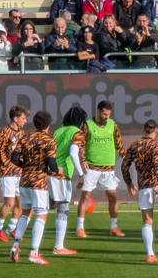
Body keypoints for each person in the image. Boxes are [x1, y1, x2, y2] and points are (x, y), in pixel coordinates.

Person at [121, 120, 158, 263]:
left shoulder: (134, 145)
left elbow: (124, 165)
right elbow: (157, 164)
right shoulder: (156, 144)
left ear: (143, 130)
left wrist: (129, 183)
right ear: (156, 131)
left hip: (144, 186)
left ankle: (150, 254)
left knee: (147, 222)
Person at [9, 111, 59, 264]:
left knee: (25, 213)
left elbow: (14, 158)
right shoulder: (49, 141)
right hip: (39, 182)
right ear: (48, 125)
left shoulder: (25, 138)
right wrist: (56, 170)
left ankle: (15, 245)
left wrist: (26, 166)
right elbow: (51, 163)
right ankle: (33, 253)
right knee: (41, 215)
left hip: (24, 181)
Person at [72, 101, 126, 238]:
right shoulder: (87, 125)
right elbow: (81, 144)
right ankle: (80, 228)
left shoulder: (112, 124)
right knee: (85, 196)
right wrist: (83, 160)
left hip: (108, 168)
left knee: (113, 196)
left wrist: (125, 155)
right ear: (98, 111)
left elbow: (118, 143)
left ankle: (114, 227)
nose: (106, 117)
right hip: (91, 168)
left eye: (108, 114)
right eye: (104, 114)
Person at [49, 106, 88, 255]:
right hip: (62, 175)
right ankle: (58, 247)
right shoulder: (76, 132)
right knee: (63, 210)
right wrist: (81, 174)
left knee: (40, 209)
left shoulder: (58, 131)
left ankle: (17, 239)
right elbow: (73, 152)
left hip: (49, 172)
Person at [0, 105, 30, 243]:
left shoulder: (21, 133)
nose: (25, 121)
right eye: (23, 118)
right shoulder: (3, 132)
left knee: (20, 203)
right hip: (6, 172)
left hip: (19, 172)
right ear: (15, 118)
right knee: (9, 203)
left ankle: (11, 228)